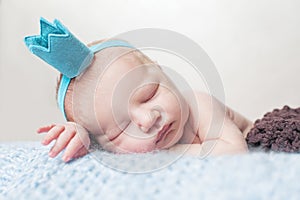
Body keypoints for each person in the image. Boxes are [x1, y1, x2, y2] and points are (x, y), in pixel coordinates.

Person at [26, 18, 253, 162]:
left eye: (149, 94)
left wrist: (164, 155)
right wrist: (81, 135)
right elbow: (95, 149)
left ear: (162, 72)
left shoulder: (198, 104)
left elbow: (234, 153)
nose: (148, 119)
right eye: (121, 129)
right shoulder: (112, 147)